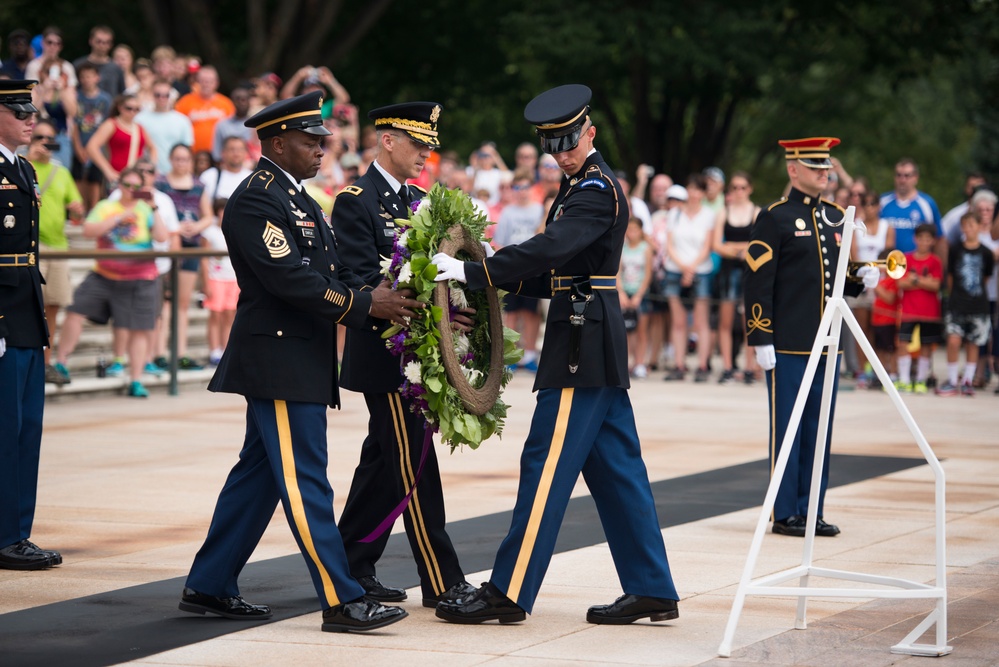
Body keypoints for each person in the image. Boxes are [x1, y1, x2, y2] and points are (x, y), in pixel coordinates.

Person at [432, 84, 679, 625]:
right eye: (555, 146)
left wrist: (479, 271)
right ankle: (652, 587)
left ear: (590, 133)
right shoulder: (576, 187)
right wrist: (496, 282)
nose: (563, 153)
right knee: (619, 471)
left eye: (571, 142)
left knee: (544, 465)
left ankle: (508, 589)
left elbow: (551, 249)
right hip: (590, 335)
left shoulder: (593, 189)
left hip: (581, 344)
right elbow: (560, 274)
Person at [180, 91, 417, 633]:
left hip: (298, 357)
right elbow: (289, 278)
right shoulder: (257, 199)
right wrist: (363, 304)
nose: (320, 150)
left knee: (259, 478)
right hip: (279, 359)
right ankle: (342, 598)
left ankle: (210, 583)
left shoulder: (301, 199)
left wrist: (389, 298)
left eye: (322, 141)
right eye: (310, 142)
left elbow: (330, 274)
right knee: (307, 481)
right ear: (277, 142)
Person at [331, 100, 475, 608]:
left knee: (384, 464)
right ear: (387, 139)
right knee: (414, 463)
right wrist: (414, 303)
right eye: (418, 143)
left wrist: (452, 311)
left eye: (430, 146)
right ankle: (442, 580)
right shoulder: (355, 200)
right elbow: (354, 278)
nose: (425, 155)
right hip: (384, 355)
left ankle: (349, 562)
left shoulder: (421, 201)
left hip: (418, 352)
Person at [743, 137, 875, 538]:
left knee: (820, 428)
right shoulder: (775, 217)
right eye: (816, 167)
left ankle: (811, 509)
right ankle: (785, 513)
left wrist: (860, 277)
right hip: (787, 343)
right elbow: (758, 280)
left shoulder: (837, 217)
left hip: (826, 343)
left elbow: (834, 280)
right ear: (793, 169)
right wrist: (759, 335)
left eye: (826, 167)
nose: (825, 173)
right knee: (788, 427)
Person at [0, 80, 64, 571]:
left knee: (27, 428)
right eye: (19, 109)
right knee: (5, 428)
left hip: (25, 308)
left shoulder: (23, 168)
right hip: (4, 313)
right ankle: (5, 535)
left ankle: (17, 531)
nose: (30, 118)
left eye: (32, 110)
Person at [54, 166, 169, 397]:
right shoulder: (106, 207)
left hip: (141, 277)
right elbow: (88, 230)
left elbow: (162, 236)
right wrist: (118, 218)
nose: (132, 190)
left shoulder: (147, 209)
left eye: (137, 187)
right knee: (75, 311)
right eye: (128, 185)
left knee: (140, 328)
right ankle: (61, 361)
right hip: (104, 275)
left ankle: (136, 380)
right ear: (120, 185)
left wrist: (153, 207)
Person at [26, 119, 84, 384]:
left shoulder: (61, 172)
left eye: (50, 138)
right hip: (30, 247)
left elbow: (77, 209)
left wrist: (77, 210)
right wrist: (28, 157)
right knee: (29, 307)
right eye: (40, 137)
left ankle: (46, 364)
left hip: (58, 247)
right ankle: (29, 361)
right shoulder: (20, 165)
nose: (44, 143)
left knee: (53, 307)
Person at [662, 174, 716, 382]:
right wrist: (683, 267)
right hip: (675, 268)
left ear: (703, 193)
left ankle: (702, 365)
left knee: (701, 321)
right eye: (691, 189)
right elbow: (669, 244)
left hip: (700, 270)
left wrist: (691, 268)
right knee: (678, 321)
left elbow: (707, 246)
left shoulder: (709, 215)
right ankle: (679, 364)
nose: (694, 194)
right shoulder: (674, 213)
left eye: (698, 190)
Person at [493, 168, 545, 372]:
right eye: (517, 187)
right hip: (513, 268)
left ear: (531, 188)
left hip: (533, 267)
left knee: (531, 313)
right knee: (511, 313)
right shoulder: (508, 212)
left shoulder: (539, 209)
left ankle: (530, 354)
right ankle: (511, 355)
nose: (522, 191)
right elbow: (500, 242)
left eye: (525, 187)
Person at [937, 212, 994, 396]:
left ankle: (968, 379)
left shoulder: (986, 252)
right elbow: (951, 276)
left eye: (971, 225)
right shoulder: (955, 249)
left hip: (978, 305)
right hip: (957, 303)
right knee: (953, 340)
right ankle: (953, 379)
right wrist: (955, 295)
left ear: (978, 226)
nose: (968, 229)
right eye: (964, 226)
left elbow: (985, 278)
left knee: (974, 342)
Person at [713, 171, 760, 384]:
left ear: (749, 189)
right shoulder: (724, 212)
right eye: (735, 187)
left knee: (749, 320)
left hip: (750, 270)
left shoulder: (757, 212)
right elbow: (716, 245)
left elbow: (759, 245)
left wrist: (734, 247)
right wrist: (741, 250)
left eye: (742, 187)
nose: (739, 191)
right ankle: (728, 366)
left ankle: (749, 366)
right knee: (725, 319)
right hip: (729, 270)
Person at [849, 192, 895, 388]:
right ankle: (862, 369)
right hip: (861, 281)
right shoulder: (855, 225)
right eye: (865, 204)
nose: (869, 208)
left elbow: (887, 255)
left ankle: (878, 368)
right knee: (861, 329)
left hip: (881, 283)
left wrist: (876, 278)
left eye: (872, 204)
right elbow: (853, 254)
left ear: (878, 206)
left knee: (878, 330)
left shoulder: (887, 227)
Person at [895, 223, 943, 394]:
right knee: (903, 343)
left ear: (932, 241)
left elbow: (936, 285)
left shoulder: (935, 261)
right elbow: (901, 282)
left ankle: (921, 380)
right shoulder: (906, 258)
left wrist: (914, 280)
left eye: (927, 239)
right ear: (915, 239)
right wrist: (925, 281)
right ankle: (904, 379)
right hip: (908, 309)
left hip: (929, 312)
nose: (923, 242)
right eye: (920, 238)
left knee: (926, 345)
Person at [86, 93, 156, 187]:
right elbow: (92, 147)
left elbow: (152, 148)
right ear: (120, 108)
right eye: (129, 108)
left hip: (136, 179)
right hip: (117, 177)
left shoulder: (139, 127)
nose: (132, 112)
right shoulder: (111, 124)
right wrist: (108, 170)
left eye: (136, 109)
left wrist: (151, 167)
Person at [70, 61, 113, 211]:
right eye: (83, 77)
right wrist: (78, 147)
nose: (87, 80)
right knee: (78, 178)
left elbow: (108, 125)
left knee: (95, 180)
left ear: (97, 77)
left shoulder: (105, 99)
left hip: (98, 147)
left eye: (90, 76)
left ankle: (93, 211)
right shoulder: (76, 97)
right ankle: (79, 213)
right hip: (80, 143)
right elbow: (74, 124)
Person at [200, 197, 237, 366]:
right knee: (215, 314)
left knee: (230, 314)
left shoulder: (237, 229)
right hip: (216, 278)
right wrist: (206, 282)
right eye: (221, 210)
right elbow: (204, 259)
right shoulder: (210, 232)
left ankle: (226, 349)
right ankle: (214, 350)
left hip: (233, 278)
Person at [879, 158, 942, 254]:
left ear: (916, 178)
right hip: (887, 264)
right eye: (898, 175)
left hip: (917, 266)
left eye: (907, 176)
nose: (902, 180)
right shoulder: (882, 202)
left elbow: (939, 238)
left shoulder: (927, 204)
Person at [136, 78, 194, 175]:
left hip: (175, 175)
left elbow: (188, 151)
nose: (161, 98)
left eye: (166, 95)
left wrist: (188, 174)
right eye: (157, 95)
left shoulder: (182, 120)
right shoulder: (139, 119)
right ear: (151, 94)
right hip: (147, 174)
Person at [619, 217, 653, 378]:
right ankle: (625, 362)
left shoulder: (646, 248)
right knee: (624, 331)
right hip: (625, 292)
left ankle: (639, 362)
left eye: (635, 229)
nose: (631, 233)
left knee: (641, 330)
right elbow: (618, 272)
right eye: (629, 229)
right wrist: (621, 293)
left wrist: (639, 294)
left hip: (640, 294)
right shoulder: (622, 247)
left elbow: (647, 274)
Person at [173, 66, 234, 156]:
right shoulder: (185, 102)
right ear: (197, 82)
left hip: (219, 155)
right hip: (192, 155)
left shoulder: (226, 104)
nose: (206, 84)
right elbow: (177, 126)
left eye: (210, 81)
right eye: (203, 81)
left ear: (216, 83)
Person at [71, 26, 125, 97]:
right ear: (91, 41)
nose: (102, 45)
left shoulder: (116, 68)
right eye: (99, 41)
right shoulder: (78, 65)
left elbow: (121, 94)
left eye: (107, 42)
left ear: (111, 45)